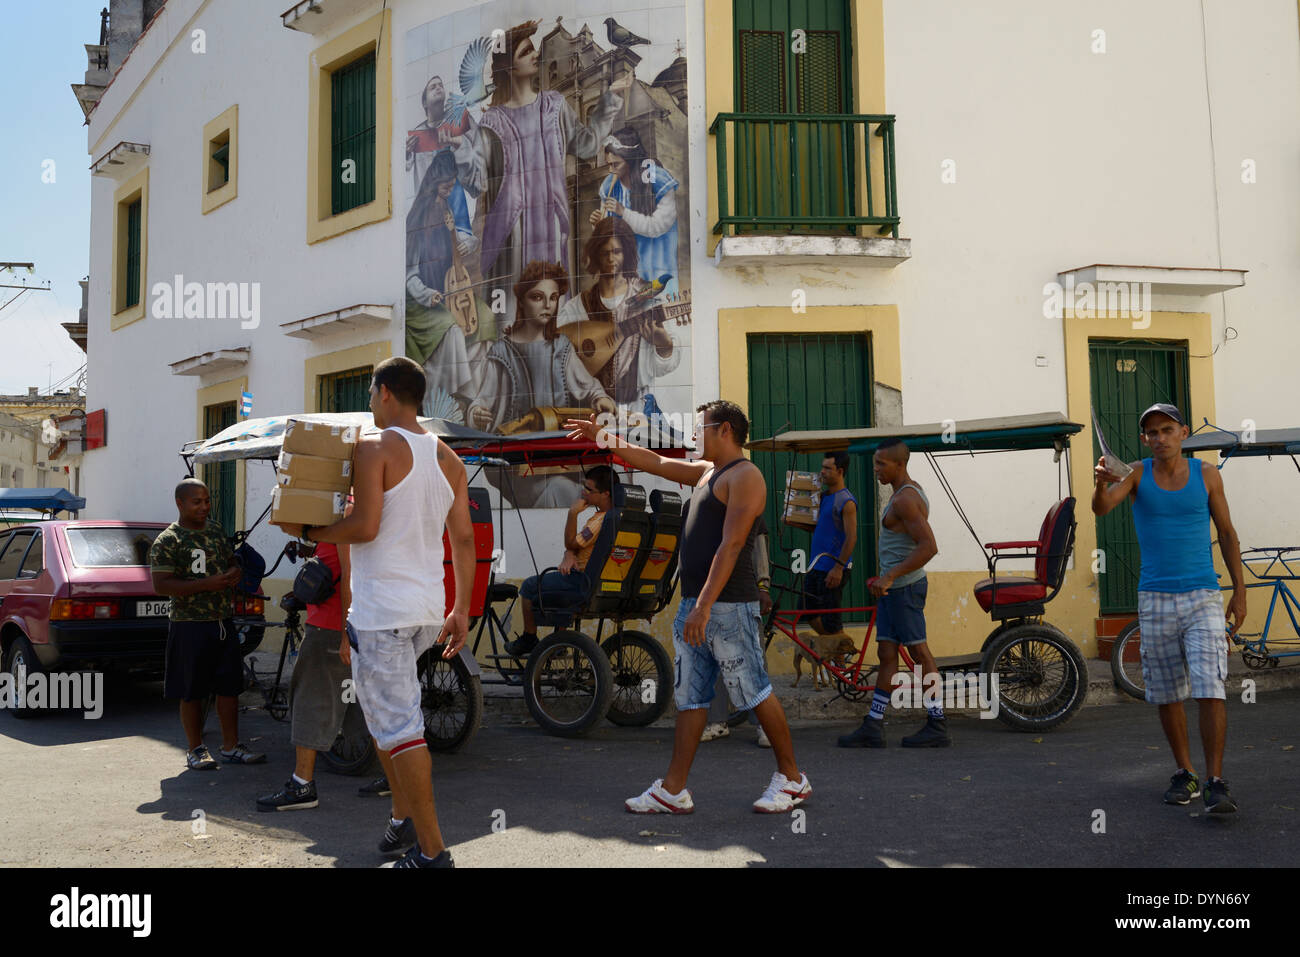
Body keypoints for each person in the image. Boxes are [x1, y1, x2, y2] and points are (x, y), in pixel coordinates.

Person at [272, 357, 477, 867]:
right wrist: (461, 610)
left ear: (385, 393)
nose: (367, 401)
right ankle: (403, 819)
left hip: (383, 611)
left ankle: (433, 853)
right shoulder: (448, 458)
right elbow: (465, 538)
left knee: (402, 729)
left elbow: (364, 527)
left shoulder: (373, 446)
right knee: (391, 721)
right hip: (428, 609)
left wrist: (312, 533)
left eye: (369, 392)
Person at [567, 402, 810, 814]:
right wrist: (603, 439)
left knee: (753, 690)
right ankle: (673, 790)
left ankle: (792, 779)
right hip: (697, 606)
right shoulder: (706, 472)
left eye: (702, 427)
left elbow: (732, 545)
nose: (695, 434)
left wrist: (705, 605)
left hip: (727, 606)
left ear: (727, 430)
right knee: (691, 698)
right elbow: (656, 462)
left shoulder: (745, 476)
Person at [1092, 403, 1246, 812]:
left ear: (1183, 432)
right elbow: (1102, 508)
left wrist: (1241, 592)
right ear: (1145, 439)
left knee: (1210, 686)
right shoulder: (1136, 473)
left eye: (1166, 429)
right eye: (1152, 432)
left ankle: (1216, 780)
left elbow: (1227, 533)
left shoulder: (1207, 475)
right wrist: (1099, 483)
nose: (1159, 438)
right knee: (1166, 692)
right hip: (1155, 597)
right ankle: (1185, 773)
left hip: (1203, 597)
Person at [451, 19, 630, 315]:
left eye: (534, 50)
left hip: (550, 223)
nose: (535, 55)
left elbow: (586, 145)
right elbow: (477, 181)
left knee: (551, 310)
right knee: (514, 315)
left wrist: (610, 99)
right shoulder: (492, 122)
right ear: (510, 67)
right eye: (525, 52)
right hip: (512, 230)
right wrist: (460, 151)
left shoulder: (554, 105)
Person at [149, 478, 265, 770]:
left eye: (207, 501)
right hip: (189, 624)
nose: (203, 506)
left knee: (229, 687)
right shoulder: (168, 540)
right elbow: (162, 585)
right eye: (196, 502)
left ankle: (231, 746)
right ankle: (195, 749)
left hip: (222, 621)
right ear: (180, 503)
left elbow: (230, 560)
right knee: (192, 690)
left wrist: (235, 572)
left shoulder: (214, 530)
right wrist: (207, 584)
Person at [837, 438, 943, 748]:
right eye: (874, 464)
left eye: (881, 464)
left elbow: (929, 547)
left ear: (899, 464)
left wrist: (891, 576)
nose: (876, 470)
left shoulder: (904, 500)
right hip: (892, 590)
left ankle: (938, 723)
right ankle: (874, 725)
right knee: (886, 655)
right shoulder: (904, 493)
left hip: (904, 589)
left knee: (920, 654)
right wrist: (885, 579)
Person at [256, 514, 354, 812]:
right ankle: (394, 780)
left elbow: (351, 573)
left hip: (331, 626)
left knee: (311, 698)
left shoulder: (347, 515)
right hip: (341, 624)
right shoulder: (347, 515)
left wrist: (347, 630)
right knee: (367, 700)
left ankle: (302, 785)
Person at [555, 217, 682, 408]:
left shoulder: (648, 299)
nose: (611, 259)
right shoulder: (576, 307)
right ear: (596, 255)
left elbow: (662, 368)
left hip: (635, 409)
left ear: (627, 253)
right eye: (605, 253)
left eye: (617, 252)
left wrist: (664, 345)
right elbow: (557, 355)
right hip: (591, 411)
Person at [506, 465, 615, 658]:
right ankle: (560, 638)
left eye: (589, 490)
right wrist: (569, 554)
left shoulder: (600, 521)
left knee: (530, 586)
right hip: (605, 582)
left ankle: (529, 637)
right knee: (559, 581)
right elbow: (576, 546)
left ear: (606, 494)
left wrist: (572, 513)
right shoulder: (620, 516)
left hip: (584, 582)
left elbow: (571, 541)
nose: (584, 493)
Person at [701, 517, 773, 747]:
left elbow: (760, 553)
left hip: (743, 595)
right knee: (714, 662)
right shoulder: (701, 510)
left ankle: (764, 725)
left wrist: (763, 586)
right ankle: (717, 722)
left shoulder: (749, 511)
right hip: (711, 597)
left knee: (754, 661)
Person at [589, 126, 680, 293]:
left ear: (631, 160)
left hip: (656, 260)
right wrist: (599, 225)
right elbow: (609, 234)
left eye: (616, 164)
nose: (610, 170)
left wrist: (623, 212)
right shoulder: (609, 185)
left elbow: (657, 227)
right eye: (609, 164)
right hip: (626, 272)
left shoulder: (657, 179)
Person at [802, 452, 858, 636]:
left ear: (840, 471)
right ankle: (833, 651)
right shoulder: (823, 497)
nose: (822, 472)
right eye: (822, 467)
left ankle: (840, 662)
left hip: (833, 569)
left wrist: (838, 568)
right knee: (808, 612)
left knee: (831, 621)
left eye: (827, 468)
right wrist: (792, 520)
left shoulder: (846, 501)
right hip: (816, 566)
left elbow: (851, 538)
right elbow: (819, 530)